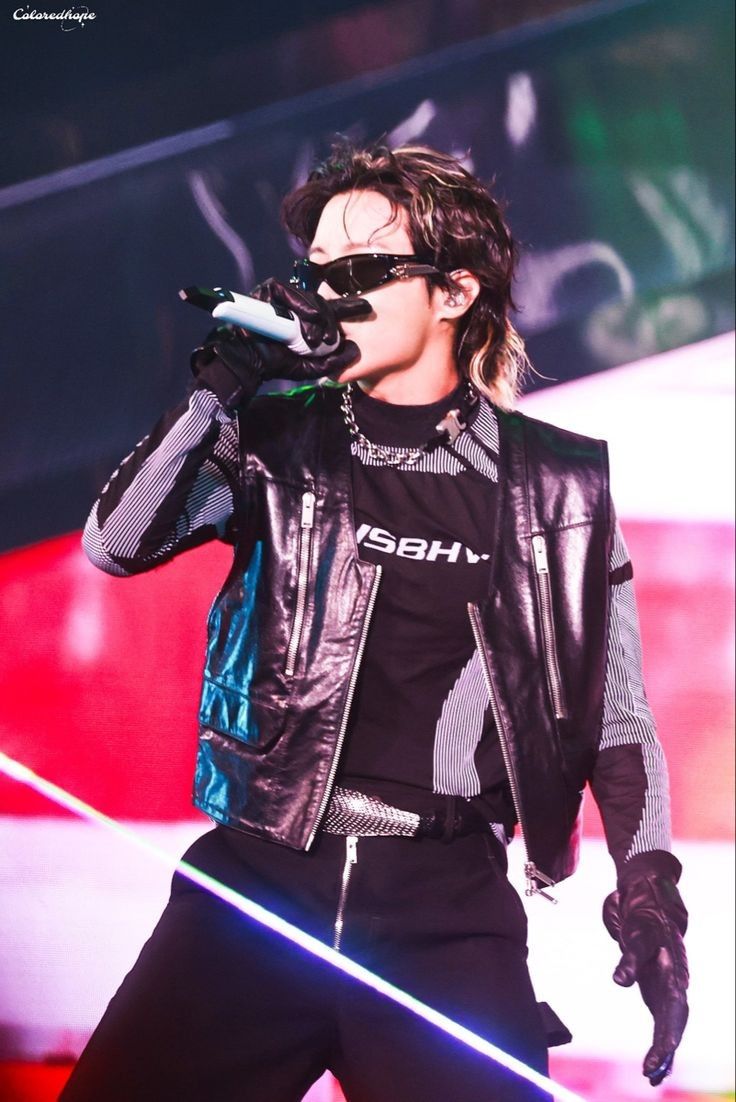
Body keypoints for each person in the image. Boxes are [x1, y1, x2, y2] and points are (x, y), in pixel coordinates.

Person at [62, 142, 688, 1102]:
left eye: (359, 272)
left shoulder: (556, 484)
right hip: (257, 889)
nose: (328, 295)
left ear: (454, 292)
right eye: (317, 272)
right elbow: (118, 543)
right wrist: (218, 392)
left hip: (446, 913)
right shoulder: (275, 440)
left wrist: (650, 895)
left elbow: (616, 712)